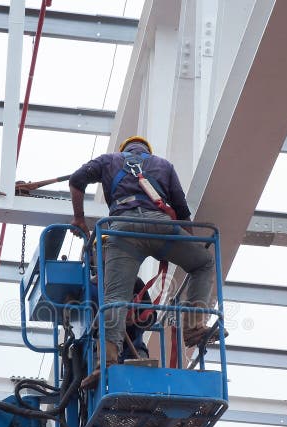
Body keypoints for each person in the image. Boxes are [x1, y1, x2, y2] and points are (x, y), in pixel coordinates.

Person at [69, 135, 217, 388]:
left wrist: (79, 219)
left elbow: (76, 180)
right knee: (203, 263)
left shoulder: (108, 161)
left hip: (122, 231)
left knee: (115, 298)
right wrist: (188, 246)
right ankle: (193, 326)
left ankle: (105, 364)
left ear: (124, 149)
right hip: (160, 228)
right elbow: (181, 210)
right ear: (147, 151)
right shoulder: (163, 165)